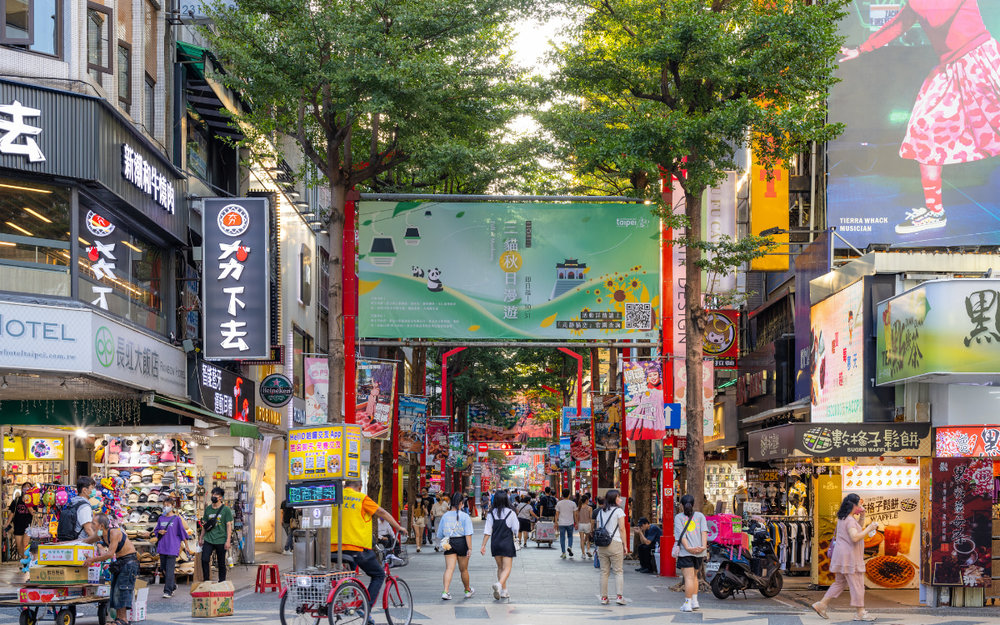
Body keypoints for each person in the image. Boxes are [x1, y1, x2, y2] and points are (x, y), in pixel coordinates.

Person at [839, 0, 1000, 235]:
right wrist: (863, 48)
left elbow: (937, 17)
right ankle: (934, 212)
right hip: (950, 68)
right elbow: (899, 24)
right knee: (926, 132)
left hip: (980, 62)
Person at [329, 478, 406, 616]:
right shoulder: (361, 498)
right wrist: (398, 526)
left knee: (349, 576)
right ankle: (365, 609)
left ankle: (346, 601)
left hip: (334, 548)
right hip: (356, 548)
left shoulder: (335, 497)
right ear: (360, 487)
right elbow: (381, 512)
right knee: (378, 574)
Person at [811, 494, 877, 621]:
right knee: (857, 584)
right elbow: (855, 537)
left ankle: (822, 604)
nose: (860, 507)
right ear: (853, 505)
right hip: (850, 557)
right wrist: (870, 528)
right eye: (859, 504)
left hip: (842, 556)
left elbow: (856, 529)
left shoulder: (844, 518)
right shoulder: (850, 520)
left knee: (840, 582)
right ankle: (860, 612)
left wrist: (862, 517)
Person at [83, 513, 138, 625]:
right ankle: (119, 619)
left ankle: (123, 620)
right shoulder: (101, 535)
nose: (92, 525)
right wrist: (62, 544)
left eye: (94, 523)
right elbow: (85, 541)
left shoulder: (114, 533)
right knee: (115, 590)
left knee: (122, 589)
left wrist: (92, 559)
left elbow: (110, 554)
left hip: (129, 563)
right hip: (120, 562)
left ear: (101, 525)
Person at [480, 490, 519, 600]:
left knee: (500, 567)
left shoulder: (491, 513)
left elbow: (487, 531)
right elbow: (516, 529)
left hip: (495, 543)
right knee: (507, 568)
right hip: (507, 543)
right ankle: (499, 584)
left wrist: (483, 545)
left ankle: (504, 591)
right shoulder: (511, 513)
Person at [437, 492, 475, 600]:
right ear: (461, 503)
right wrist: (470, 548)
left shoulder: (445, 516)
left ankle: (445, 591)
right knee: (464, 569)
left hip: (449, 543)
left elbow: (440, 534)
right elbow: (468, 534)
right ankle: (467, 590)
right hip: (462, 543)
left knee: (449, 568)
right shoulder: (465, 516)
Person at [675, 494, 708, 613]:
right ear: (693, 504)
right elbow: (704, 532)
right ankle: (695, 601)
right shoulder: (700, 516)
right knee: (695, 576)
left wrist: (688, 548)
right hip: (699, 552)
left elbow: (681, 535)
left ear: (682, 505)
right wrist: (703, 547)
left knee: (688, 577)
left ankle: (687, 603)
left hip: (685, 552)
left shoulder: (679, 517)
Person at [152, 496, 190, 598]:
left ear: (173, 506)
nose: (166, 507)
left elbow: (183, 533)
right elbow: (155, 531)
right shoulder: (161, 518)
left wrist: (187, 547)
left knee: (169, 570)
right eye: (164, 506)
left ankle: (167, 591)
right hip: (162, 547)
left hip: (172, 547)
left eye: (168, 505)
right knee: (163, 569)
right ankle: (172, 585)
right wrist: (159, 531)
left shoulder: (177, 519)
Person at [595, 489, 627, 606]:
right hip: (615, 542)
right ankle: (619, 597)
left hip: (602, 545)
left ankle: (604, 598)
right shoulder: (619, 511)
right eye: (618, 497)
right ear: (614, 499)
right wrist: (625, 545)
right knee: (618, 571)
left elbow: (598, 528)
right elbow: (622, 529)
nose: (620, 499)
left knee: (604, 572)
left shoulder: (601, 512)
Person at [199, 487, 233, 582]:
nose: (213, 496)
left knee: (221, 562)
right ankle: (206, 580)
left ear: (220, 497)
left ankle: (222, 581)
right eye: (212, 494)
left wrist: (228, 541)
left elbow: (229, 525)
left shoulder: (226, 510)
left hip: (221, 539)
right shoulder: (208, 509)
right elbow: (205, 525)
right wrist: (201, 538)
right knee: (204, 559)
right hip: (209, 539)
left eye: (216, 495)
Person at [5, 484, 34, 559]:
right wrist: (7, 523)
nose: (26, 488)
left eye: (28, 487)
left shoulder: (33, 500)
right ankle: (24, 559)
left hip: (28, 526)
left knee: (25, 544)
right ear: (22, 489)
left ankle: (26, 565)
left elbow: (33, 513)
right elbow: (12, 512)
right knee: (19, 548)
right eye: (25, 487)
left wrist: (28, 503)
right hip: (18, 525)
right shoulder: (17, 500)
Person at [554, 488, 578, 559]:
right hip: (570, 523)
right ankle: (569, 546)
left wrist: (556, 523)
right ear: (569, 495)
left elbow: (557, 514)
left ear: (562, 495)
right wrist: (576, 523)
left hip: (561, 523)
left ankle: (563, 553)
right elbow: (575, 514)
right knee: (570, 536)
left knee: (562, 538)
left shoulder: (559, 503)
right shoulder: (573, 503)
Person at [576, 493, 594, 558]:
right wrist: (592, 527)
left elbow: (577, 517)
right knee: (588, 539)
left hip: (581, 524)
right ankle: (588, 550)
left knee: (582, 540)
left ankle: (583, 554)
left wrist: (577, 524)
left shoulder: (578, 508)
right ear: (586, 500)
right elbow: (591, 517)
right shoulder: (589, 508)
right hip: (587, 524)